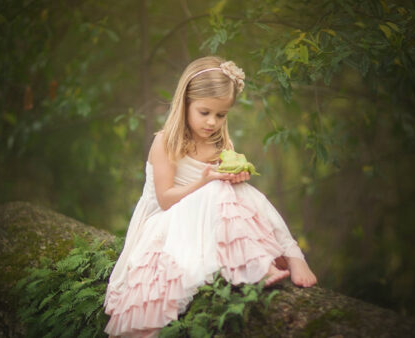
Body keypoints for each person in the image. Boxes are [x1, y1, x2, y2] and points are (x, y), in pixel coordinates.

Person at [103, 55, 317, 337]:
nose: (213, 122)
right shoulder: (165, 142)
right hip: (166, 223)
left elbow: (224, 200)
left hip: (202, 222)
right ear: (186, 103)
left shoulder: (220, 143)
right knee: (217, 187)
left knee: (241, 189)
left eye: (221, 115)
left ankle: (291, 255)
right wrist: (205, 182)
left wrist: (234, 175)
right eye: (205, 112)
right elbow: (166, 200)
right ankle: (261, 264)